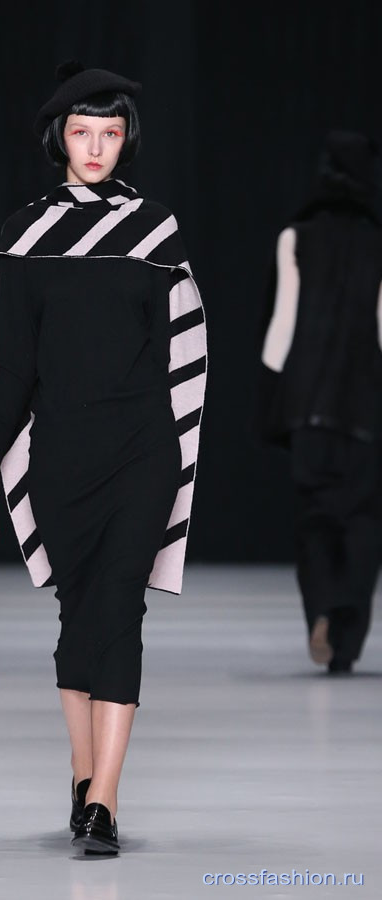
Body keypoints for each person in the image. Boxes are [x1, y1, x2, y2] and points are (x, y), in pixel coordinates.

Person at [0, 60, 207, 855]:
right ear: (59, 140)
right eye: (81, 132)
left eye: (110, 132)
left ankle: (104, 798)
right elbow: (14, 370)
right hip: (62, 454)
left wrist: (181, 453)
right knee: (79, 619)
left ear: (126, 138)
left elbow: (183, 354)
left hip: (143, 450)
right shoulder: (25, 236)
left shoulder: (155, 232)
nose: (96, 147)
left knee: (120, 610)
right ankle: (82, 773)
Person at [259, 130, 382, 676]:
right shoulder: (377, 241)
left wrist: (271, 399)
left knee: (315, 517)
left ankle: (322, 613)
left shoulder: (296, 237)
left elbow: (281, 329)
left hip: (306, 402)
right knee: (362, 518)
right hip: (364, 405)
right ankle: (347, 636)